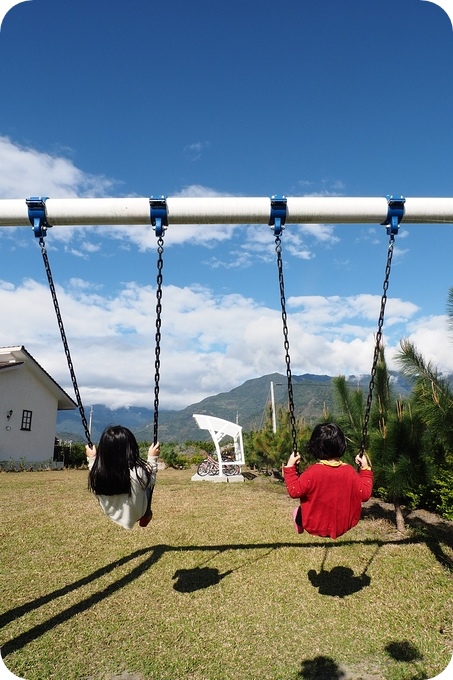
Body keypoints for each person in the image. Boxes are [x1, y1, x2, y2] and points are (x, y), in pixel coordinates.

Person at [282, 422, 373, 539]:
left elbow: (294, 491)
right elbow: (365, 495)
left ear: (314, 448)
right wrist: (365, 469)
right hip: (345, 525)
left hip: (314, 525)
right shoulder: (350, 472)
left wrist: (290, 467)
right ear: (342, 445)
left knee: (303, 508)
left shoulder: (312, 473)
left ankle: (299, 518)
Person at [86, 425, 160, 530]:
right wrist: (152, 458)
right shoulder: (137, 473)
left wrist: (91, 458)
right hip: (138, 512)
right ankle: (147, 514)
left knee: (143, 481)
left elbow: (92, 467)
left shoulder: (98, 473)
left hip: (112, 513)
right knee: (147, 483)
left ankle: (146, 514)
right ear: (131, 448)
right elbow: (151, 479)